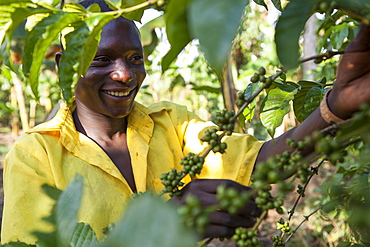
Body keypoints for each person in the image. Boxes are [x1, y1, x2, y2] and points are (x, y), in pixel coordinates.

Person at [2, 0, 370, 244]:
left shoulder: (171, 123)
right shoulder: (35, 156)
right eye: (102, 60)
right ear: (64, 66)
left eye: (134, 58)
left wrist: (337, 104)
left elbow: (259, 162)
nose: (124, 75)